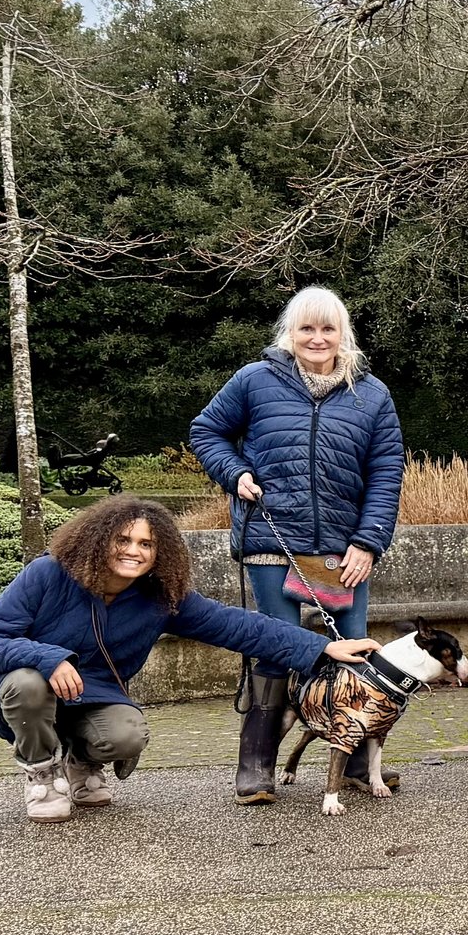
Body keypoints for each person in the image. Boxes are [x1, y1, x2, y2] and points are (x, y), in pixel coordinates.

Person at [0, 496, 376, 823]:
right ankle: (41, 774)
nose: (134, 551)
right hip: (18, 695)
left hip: (90, 696)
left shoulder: (160, 596)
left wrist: (320, 647)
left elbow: (239, 626)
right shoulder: (48, 574)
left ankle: (82, 763)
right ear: (99, 539)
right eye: (123, 540)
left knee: (127, 735)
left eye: (146, 544)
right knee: (29, 682)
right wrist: (49, 658)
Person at [190, 285, 405, 806]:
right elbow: (206, 431)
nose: (317, 338)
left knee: (355, 649)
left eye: (328, 328)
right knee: (276, 645)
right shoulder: (254, 380)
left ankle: (356, 763)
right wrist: (235, 472)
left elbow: (385, 473)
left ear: (342, 334)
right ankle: (256, 766)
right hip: (272, 539)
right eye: (307, 327)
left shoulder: (372, 395)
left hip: (342, 550)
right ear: (291, 331)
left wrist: (367, 542)